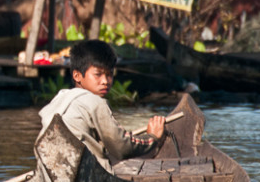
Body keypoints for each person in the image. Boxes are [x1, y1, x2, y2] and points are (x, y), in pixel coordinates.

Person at [38, 39, 165, 172]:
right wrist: (152, 138)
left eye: (109, 75)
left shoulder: (59, 98)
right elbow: (121, 146)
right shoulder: (95, 102)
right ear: (77, 76)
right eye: (98, 74)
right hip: (82, 173)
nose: (105, 81)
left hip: (51, 169)